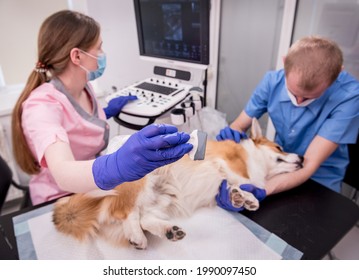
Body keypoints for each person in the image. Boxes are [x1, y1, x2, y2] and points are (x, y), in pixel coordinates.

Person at [11, 10, 193, 205]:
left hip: (89, 187)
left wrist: (106, 112)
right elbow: (63, 174)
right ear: (77, 56)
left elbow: (76, 123)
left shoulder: (83, 86)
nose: (102, 54)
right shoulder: (41, 106)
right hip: (61, 200)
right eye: (99, 48)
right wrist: (116, 165)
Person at [216, 35, 359, 211]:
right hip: (280, 165)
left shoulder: (349, 97)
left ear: (336, 75)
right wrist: (232, 136)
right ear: (285, 63)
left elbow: (308, 165)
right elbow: (238, 125)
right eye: (293, 92)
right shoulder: (272, 82)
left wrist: (259, 190)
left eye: (308, 98)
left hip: (320, 179)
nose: (298, 102)